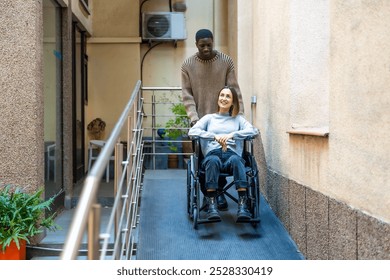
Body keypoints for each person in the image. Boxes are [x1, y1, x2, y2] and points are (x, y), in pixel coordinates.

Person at [181, 28, 245, 210]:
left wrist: (239, 116)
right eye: (202, 46)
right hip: (201, 122)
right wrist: (194, 118)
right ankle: (212, 195)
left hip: (225, 120)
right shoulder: (188, 65)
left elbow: (235, 90)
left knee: (224, 155)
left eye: (209, 44)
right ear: (196, 45)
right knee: (205, 161)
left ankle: (219, 194)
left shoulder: (226, 62)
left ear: (213, 42)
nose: (207, 48)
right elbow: (187, 95)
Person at [188, 86, 259, 222]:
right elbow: (192, 132)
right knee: (212, 161)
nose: (224, 98)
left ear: (233, 102)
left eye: (228, 96)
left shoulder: (238, 119)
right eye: (222, 95)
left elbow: (253, 131)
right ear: (218, 98)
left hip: (231, 155)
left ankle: (243, 206)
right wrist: (213, 137)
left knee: (237, 161)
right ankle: (212, 205)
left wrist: (233, 135)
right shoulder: (209, 118)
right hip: (212, 154)